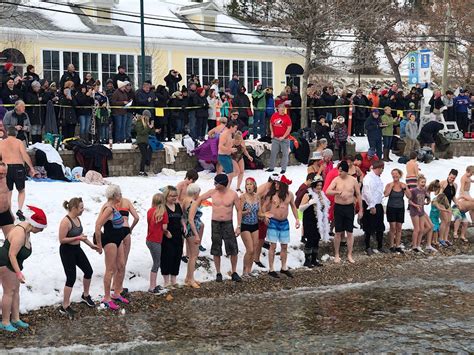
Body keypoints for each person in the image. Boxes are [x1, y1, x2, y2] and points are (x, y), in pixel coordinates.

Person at [0, 205, 47, 332]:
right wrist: (18, 273)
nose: (41, 231)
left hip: (13, 263)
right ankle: (5, 321)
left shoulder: (27, 230)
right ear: (35, 224)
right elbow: (12, 254)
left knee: (15, 291)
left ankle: (15, 319)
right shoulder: (19, 233)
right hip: (5, 262)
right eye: (41, 229)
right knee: (9, 291)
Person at [189, 174, 242, 282]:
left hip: (228, 223)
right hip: (215, 223)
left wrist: (239, 226)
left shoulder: (233, 194)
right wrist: (193, 210)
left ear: (222, 184)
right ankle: (218, 273)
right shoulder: (212, 192)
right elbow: (199, 199)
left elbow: (239, 210)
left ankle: (234, 272)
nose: (214, 185)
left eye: (216, 183)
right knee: (216, 248)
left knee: (232, 248)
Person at [58, 198, 97, 317]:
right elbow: (62, 239)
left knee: (88, 271)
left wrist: (91, 246)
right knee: (71, 278)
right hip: (66, 251)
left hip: (77, 249)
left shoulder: (77, 218)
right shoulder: (66, 221)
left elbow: (80, 236)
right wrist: (77, 239)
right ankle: (64, 306)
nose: (83, 209)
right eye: (81, 207)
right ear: (74, 208)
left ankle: (85, 295)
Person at [94, 185, 129, 310]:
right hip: (110, 241)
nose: (121, 195)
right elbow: (98, 226)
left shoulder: (114, 206)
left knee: (121, 265)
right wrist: (99, 244)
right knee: (110, 269)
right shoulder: (108, 208)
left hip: (118, 240)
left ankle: (117, 293)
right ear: (115, 195)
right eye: (120, 193)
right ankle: (107, 298)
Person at [262, 175, 299, 278]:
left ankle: (284, 267)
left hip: (284, 223)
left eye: (278, 184)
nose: (276, 185)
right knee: (272, 246)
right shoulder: (272, 195)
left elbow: (293, 207)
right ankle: (271, 269)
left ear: (283, 185)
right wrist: (265, 216)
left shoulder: (290, 195)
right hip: (273, 221)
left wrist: (297, 219)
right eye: (275, 183)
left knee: (284, 246)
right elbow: (264, 206)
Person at [326, 161, 363, 263]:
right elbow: (328, 191)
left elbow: (359, 195)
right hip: (339, 207)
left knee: (350, 232)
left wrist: (361, 210)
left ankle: (349, 254)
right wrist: (337, 192)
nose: (339, 173)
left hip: (349, 208)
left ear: (346, 171)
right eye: (339, 170)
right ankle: (337, 254)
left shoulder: (353, 180)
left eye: (341, 171)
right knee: (338, 232)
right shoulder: (336, 180)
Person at [0, 127, 36, 221]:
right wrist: (32, 168)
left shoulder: (2, 143)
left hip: (6, 168)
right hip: (18, 168)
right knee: (21, 190)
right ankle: (19, 210)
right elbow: (24, 155)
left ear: (7, 133)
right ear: (16, 134)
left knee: (8, 191)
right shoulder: (19, 142)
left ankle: (9, 212)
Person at [299, 176, 330, 267]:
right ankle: (307, 260)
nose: (319, 187)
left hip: (318, 221)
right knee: (310, 240)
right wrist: (309, 203)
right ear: (313, 186)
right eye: (317, 185)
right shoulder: (307, 195)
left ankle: (314, 259)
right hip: (309, 221)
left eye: (320, 185)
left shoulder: (321, 195)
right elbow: (300, 208)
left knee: (316, 240)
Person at [112, 191, 139, 297]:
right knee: (123, 261)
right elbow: (136, 217)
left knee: (115, 259)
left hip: (114, 231)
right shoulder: (127, 202)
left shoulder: (111, 204)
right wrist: (130, 228)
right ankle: (119, 286)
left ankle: (114, 284)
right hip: (125, 230)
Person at [161, 186, 185, 288]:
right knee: (167, 256)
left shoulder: (178, 206)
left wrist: (183, 225)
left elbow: (181, 218)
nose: (174, 198)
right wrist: (165, 232)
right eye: (172, 196)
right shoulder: (162, 207)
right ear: (166, 196)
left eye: (176, 195)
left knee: (177, 255)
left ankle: (174, 279)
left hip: (178, 235)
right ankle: (166, 281)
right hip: (167, 236)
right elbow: (159, 223)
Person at [361, 160, 387, 255]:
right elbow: (367, 193)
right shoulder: (368, 178)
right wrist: (371, 206)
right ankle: (367, 247)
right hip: (370, 204)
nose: (382, 171)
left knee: (380, 225)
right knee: (369, 226)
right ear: (378, 168)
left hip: (378, 203)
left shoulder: (377, 178)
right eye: (381, 169)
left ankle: (380, 245)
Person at [384, 169, 411, 253]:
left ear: (400, 175)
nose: (394, 175)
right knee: (392, 227)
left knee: (399, 227)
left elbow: (409, 196)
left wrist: (405, 189)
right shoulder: (389, 184)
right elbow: (385, 194)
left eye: (396, 174)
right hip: (391, 207)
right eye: (393, 174)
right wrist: (391, 186)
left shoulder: (403, 185)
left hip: (400, 208)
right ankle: (391, 245)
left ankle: (398, 245)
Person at [146, 193, 168, 293]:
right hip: (156, 240)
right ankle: (152, 286)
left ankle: (153, 285)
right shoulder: (163, 212)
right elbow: (164, 228)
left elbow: (149, 224)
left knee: (156, 261)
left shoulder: (150, 211)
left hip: (149, 239)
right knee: (156, 263)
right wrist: (167, 232)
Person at [182, 184, 203, 288]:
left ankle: (188, 277)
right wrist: (196, 235)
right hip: (192, 230)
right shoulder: (193, 203)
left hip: (187, 229)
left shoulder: (185, 200)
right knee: (194, 255)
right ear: (195, 193)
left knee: (191, 255)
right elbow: (191, 219)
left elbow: (183, 216)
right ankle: (190, 279)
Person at [408, 175, 434, 253]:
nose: (423, 183)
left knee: (422, 229)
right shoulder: (414, 190)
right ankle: (414, 246)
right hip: (414, 211)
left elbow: (427, 197)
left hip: (421, 211)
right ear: (418, 182)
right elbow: (409, 201)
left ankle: (418, 245)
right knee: (417, 229)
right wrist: (416, 205)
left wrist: (428, 201)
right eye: (422, 182)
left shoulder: (424, 190)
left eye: (424, 182)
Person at [239, 177, 259, 276]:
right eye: (247, 184)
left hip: (255, 225)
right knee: (250, 249)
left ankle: (249, 270)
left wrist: (265, 216)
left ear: (254, 185)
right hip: (245, 225)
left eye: (251, 184)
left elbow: (259, 211)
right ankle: (244, 270)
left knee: (254, 250)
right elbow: (238, 212)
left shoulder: (257, 196)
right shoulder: (242, 197)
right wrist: (246, 212)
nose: (249, 186)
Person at [267, 104, 292, 174]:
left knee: (285, 154)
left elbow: (289, 128)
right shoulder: (274, 115)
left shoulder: (287, 117)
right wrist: (272, 132)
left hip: (284, 139)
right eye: (281, 110)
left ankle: (283, 168)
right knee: (273, 153)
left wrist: (283, 136)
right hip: (275, 138)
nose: (283, 111)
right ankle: (271, 167)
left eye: (284, 110)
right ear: (278, 109)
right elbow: (271, 124)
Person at [453, 166, 474, 241]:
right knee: (470, 203)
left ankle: (472, 221)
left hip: (467, 193)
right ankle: (455, 231)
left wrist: (472, 181)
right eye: (471, 174)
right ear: (467, 171)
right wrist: (462, 196)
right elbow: (462, 187)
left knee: (472, 206)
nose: (471, 175)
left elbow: (470, 180)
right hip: (464, 193)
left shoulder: (468, 177)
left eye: (472, 174)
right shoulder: (463, 177)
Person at [135, 110, 159, 176]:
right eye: (148, 117)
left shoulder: (146, 122)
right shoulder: (139, 122)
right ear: (145, 116)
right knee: (144, 155)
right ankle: (141, 171)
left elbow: (149, 132)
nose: (148, 118)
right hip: (140, 141)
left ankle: (144, 168)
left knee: (146, 154)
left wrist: (153, 128)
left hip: (145, 141)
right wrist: (149, 127)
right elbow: (141, 132)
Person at [438, 169, 459, 245]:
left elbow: (453, 196)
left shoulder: (455, 185)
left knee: (448, 222)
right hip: (441, 204)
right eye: (451, 177)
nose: (451, 179)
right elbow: (439, 195)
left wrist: (457, 203)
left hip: (449, 205)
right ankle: (440, 238)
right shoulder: (443, 183)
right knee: (444, 221)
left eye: (453, 178)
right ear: (448, 175)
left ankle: (446, 239)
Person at [0, 163, 14, 237]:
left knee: (11, 237)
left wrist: (10, 212)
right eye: (0, 173)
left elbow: (7, 198)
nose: (2, 176)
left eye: (4, 173)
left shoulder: (7, 179)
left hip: (5, 213)